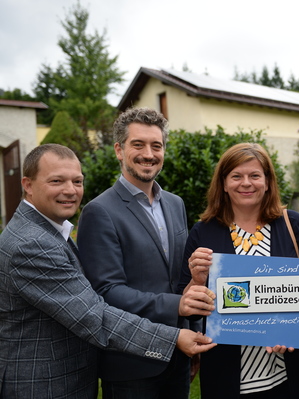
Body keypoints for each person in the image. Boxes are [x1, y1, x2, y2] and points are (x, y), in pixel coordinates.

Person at [0, 144, 216, 399]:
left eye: (77, 181)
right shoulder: (33, 244)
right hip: (45, 385)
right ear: (27, 184)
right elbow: (94, 317)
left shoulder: (48, 231)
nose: (70, 190)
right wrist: (173, 338)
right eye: (56, 181)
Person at [77, 107, 214, 398]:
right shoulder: (99, 211)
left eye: (156, 145)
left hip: (179, 355)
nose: (148, 154)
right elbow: (106, 292)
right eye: (138, 144)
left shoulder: (175, 204)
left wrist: (193, 331)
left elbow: (182, 280)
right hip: (131, 363)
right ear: (119, 150)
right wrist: (177, 306)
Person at [178, 142, 299, 398]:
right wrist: (197, 280)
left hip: (289, 372)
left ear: (268, 182)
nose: (246, 183)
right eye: (236, 176)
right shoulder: (203, 232)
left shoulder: (292, 224)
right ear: (224, 183)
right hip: (226, 373)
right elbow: (185, 304)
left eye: (254, 176)